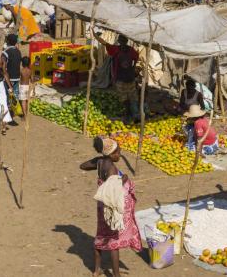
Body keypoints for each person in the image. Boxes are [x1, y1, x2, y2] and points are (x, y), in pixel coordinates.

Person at [80, 137, 142, 277]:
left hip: (101, 204)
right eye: (117, 152)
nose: (119, 155)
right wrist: (124, 178)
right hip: (110, 206)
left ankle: (96, 270)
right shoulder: (112, 168)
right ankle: (116, 275)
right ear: (111, 153)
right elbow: (114, 189)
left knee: (101, 234)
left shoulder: (101, 162)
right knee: (114, 241)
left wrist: (98, 160)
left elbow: (83, 166)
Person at [94, 34, 139, 122]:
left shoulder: (115, 49)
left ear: (119, 41)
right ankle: (135, 115)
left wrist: (95, 36)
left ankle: (127, 115)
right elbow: (136, 58)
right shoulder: (131, 50)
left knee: (124, 98)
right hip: (130, 77)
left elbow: (104, 43)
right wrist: (133, 68)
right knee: (132, 97)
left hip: (120, 78)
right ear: (126, 41)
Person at [2, 34, 23, 115]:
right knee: (15, 95)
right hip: (17, 77)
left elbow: (4, 67)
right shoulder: (18, 51)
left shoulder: (6, 52)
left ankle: (7, 114)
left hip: (8, 78)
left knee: (7, 96)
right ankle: (14, 112)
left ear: (7, 41)